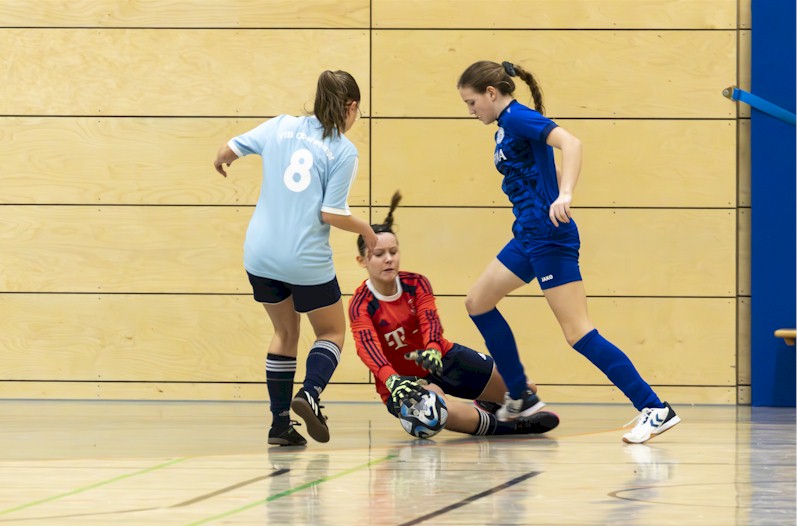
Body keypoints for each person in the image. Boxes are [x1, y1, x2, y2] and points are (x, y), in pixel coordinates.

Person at [456, 60, 681, 444]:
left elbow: (571, 143)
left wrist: (565, 195)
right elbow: (539, 169)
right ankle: (520, 393)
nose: (471, 110)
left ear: (491, 94)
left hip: (548, 238)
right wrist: (551, 189)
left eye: (472, 102)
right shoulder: (506, 125)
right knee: (478, 301)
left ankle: (654, 408)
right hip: (527, 235)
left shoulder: (516, 117)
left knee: (578, 332)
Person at [214, 70, 378, 447]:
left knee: (285, 332)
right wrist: (367, 231)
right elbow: (332, 214)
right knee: (332, 332)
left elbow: (228, 150)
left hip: (260, 255)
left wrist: (221, 161)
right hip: (304, 259)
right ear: (351, 108)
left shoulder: (280, 126)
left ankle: (279, 425)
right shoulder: (343, 150)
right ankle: (311, 393)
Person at [348, 191, 559, 438]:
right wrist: (392, 379)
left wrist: (434, 350)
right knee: (432, 412)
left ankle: (489, 403)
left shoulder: (416, 283)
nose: (388, 260)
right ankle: (511, 427)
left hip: (442, 358)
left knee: (525, 390)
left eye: (393, 252)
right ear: (362, 260)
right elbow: (367, 347)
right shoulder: (361, 303)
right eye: (379, 254)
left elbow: (430, 321)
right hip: (402, 382)